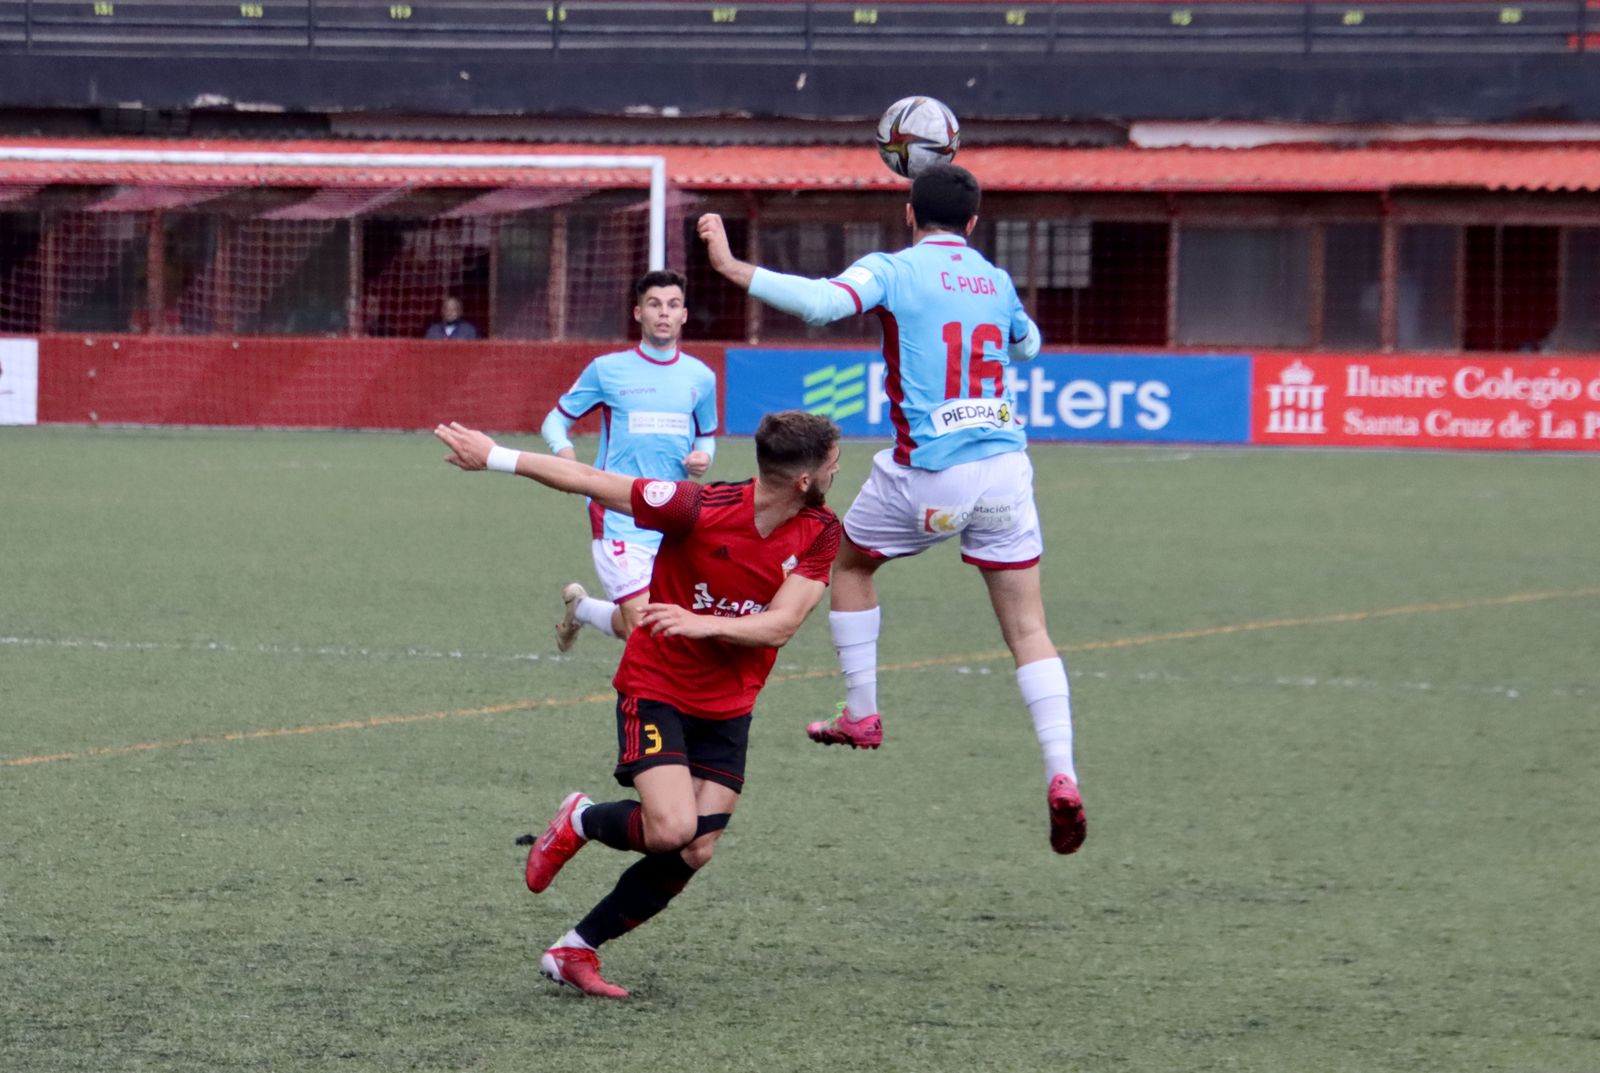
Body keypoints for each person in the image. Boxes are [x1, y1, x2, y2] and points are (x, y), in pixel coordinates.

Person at [695, 163, 1087, 856]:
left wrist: (731, 265)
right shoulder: (994, 279)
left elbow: (821, 303)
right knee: (1030, 629)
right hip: (1005, 468)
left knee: (848, 560)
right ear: (973, 223)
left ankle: (863, 712)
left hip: (930, 475)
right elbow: (1028, 345)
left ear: (910, 215)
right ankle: (1062, 771)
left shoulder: (895, 268)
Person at [434, 410, 841, 998]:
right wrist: (495, 455)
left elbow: (780, 626)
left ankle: (574, 949)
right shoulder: (697, 506)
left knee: (696, 847)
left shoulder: (822, 529)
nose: (836, 472)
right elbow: (592, 482)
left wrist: (697, 622)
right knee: (671, 827)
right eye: (832, 464)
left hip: (729, 705)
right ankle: (580, 819)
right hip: (658, 687)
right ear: (805, 477)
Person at [540, 270, 719, 652]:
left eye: (672, 305)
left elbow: (706, 433)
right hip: (618, 514)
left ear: (684, 315)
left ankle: (583, 610)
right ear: (638, 313)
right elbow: (555, 420)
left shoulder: (701, 378)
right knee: (650, 632)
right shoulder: (608, 370)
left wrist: (704, 455)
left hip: (675, 514)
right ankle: (651, 710)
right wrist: (567, 458)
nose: (664, 313)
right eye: (654, 305)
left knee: (650, 619)